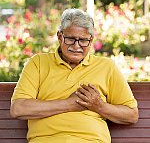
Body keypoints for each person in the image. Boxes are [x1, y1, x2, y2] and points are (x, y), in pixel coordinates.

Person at [10, 8, 138, 143]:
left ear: (91, 40)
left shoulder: (107, 67)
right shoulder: (38, 63)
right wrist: (68, 104)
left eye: (83, 40)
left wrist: (99, 106)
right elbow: (18, 108)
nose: (77, 46)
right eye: (71, 39)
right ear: (60, 37)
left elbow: (132, 114)